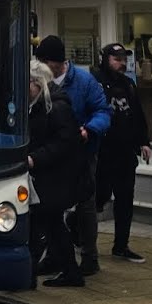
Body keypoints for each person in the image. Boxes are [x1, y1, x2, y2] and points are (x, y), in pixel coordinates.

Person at [34, 35, 111, 276]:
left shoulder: (84, 81)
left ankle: (89, 257)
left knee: (85, 204)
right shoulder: (37, 79)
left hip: (82, 153)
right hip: (53, 156)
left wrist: (89, 130)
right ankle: (56, 257)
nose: (43, 65)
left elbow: (103, 111)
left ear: (57, 62)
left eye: (46, 61)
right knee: (50, 207)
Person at [26, 58, 89, 288]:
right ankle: (70, 272)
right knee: (51, 225)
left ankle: (28, 275)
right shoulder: (40, 104)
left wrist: (35, 158)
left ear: (37, 83)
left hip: (55, 177)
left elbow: (64, 143)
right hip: (49, 176)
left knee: (41, 225)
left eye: (27, 85)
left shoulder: (56, 106)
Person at [91, 43, 151, 264]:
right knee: (99, 197)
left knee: (125, 200)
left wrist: (143, 142)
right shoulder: (95, 83)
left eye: (124, 59)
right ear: (105, 59)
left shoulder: (128, 85)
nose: (122, 63)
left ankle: (121, 245)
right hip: (103, 153)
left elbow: (136, 115)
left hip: (125, 153)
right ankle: (76, 229)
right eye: (116, 59)